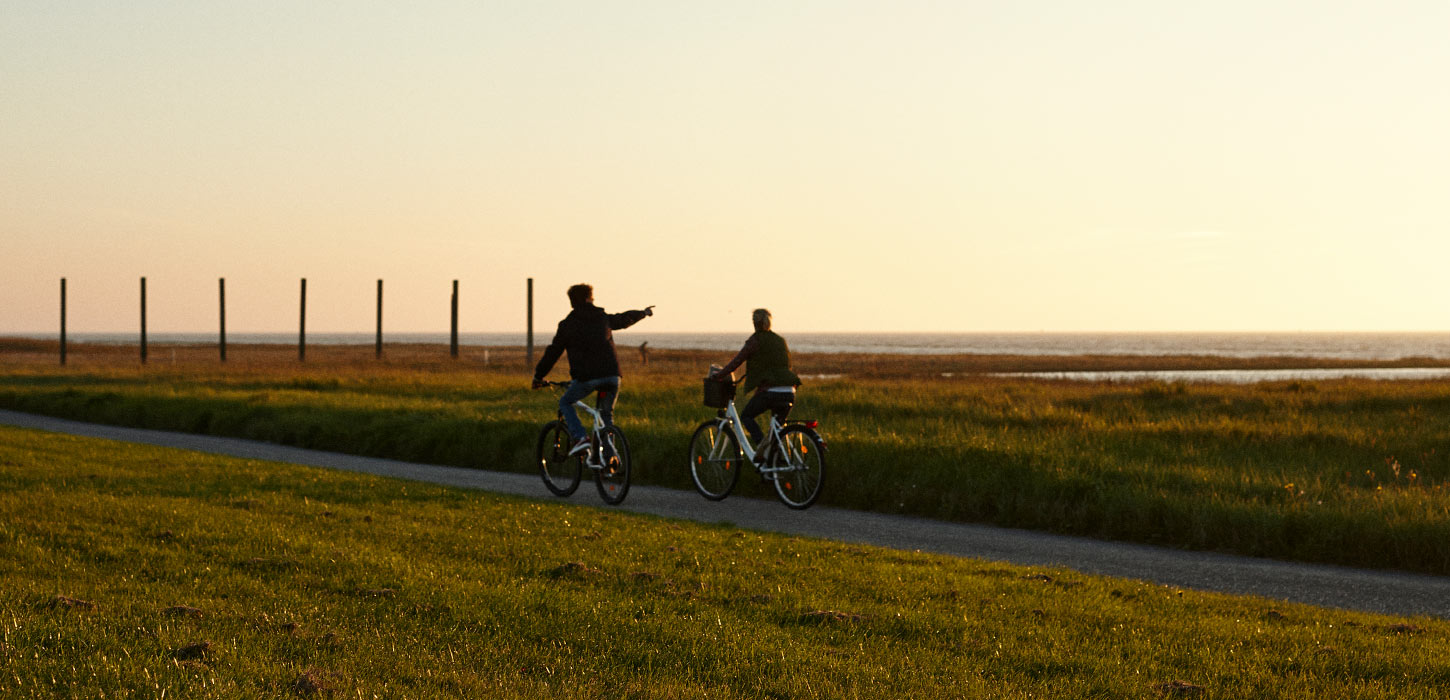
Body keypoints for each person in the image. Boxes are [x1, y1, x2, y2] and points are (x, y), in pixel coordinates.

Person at [532, 284, 654, 456]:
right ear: (589, 299)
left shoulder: (567, 325)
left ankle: (581, 437)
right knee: (606, 416)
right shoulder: (602, 318)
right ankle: (610, 458)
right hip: (612, 376)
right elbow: (624, 319)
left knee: (565, 402)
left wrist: (538, 376)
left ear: (572, 302)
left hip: (587, 378)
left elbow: (553, 353)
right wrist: (644, 313)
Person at [711, 308, 801, 463]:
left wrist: (718, 375)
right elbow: (786, 366)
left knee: (746, 416)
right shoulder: (780, 340)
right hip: (789, 390)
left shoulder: (755, 340)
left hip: (771, 392)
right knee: (776, 431)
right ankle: (775, 461)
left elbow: (736, 362)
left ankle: (762, 450)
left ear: (754, 323)